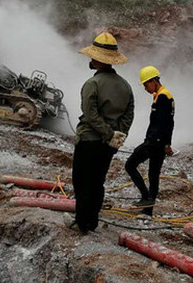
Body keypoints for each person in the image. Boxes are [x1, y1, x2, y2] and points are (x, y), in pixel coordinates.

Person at [69, 32, 134, 234]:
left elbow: (90, 115)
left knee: (81, 181)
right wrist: (117, 135)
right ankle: (92, 222)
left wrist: (106, 133)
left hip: (89, 140)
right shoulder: (125, 86)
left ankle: (81, 223)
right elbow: (128, 115)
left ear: (97, 59)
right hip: (108, 146)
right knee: (98, 182)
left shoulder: (92, 84)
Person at [125, 65, 174, 216]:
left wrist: (165, 144)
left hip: (155, 142)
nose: (145, 88)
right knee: (153, 174)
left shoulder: (163, 97)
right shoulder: (161, 95)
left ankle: (146, 198)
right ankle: (148, 210)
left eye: (146, 84)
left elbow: (166, 123)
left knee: (130, 165)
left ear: (154, 81)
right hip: (158, 142)